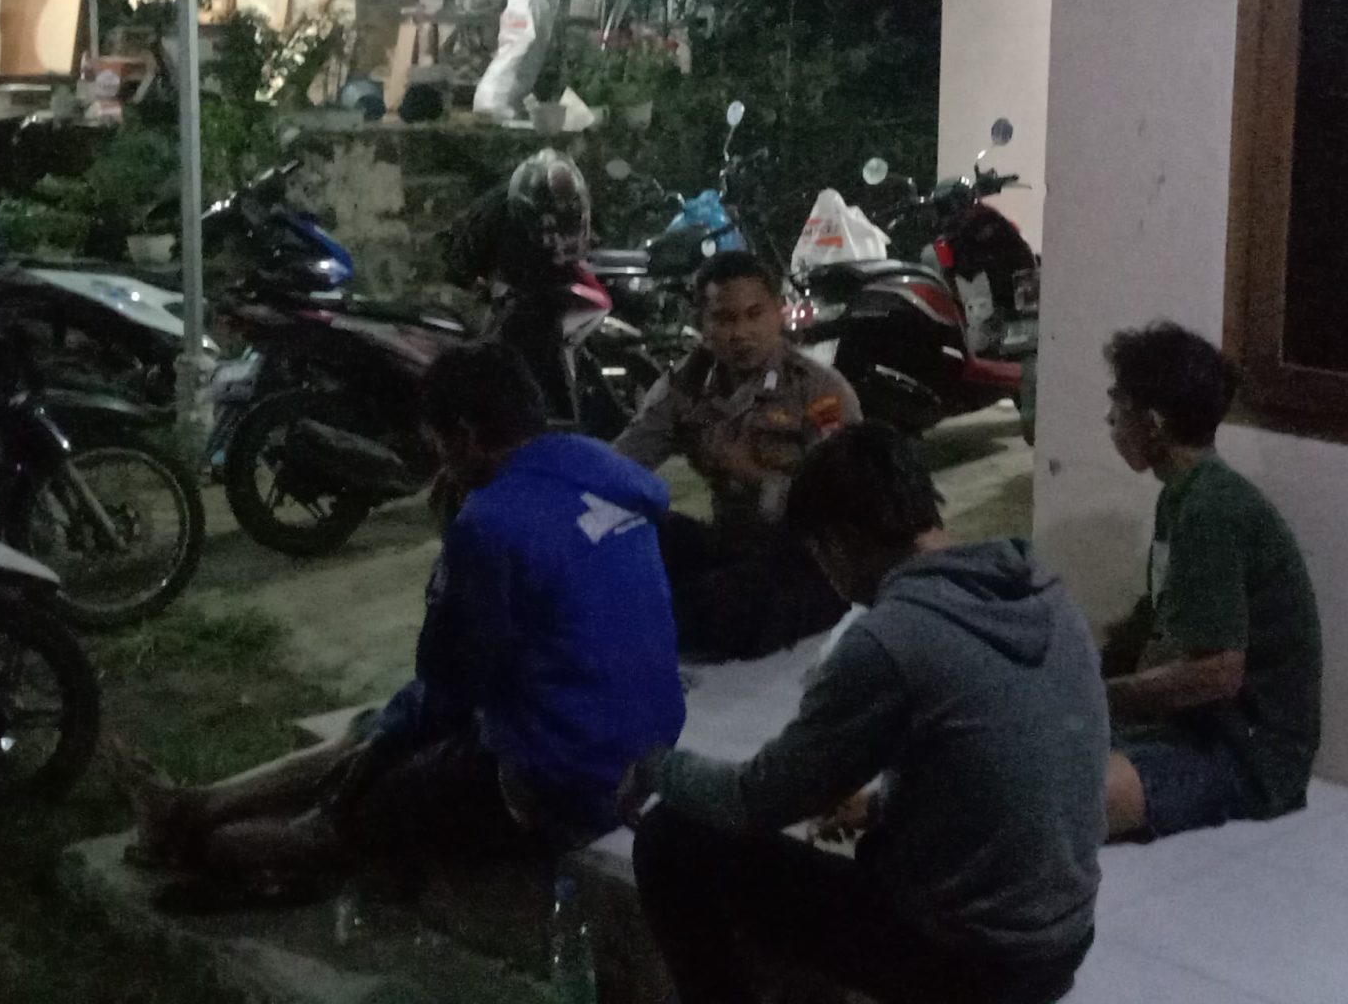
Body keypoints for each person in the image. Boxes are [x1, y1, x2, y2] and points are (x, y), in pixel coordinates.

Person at [121, 342, 684, 899]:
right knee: (377, 729)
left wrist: (382, 751)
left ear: (465, 433)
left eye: (436, 442)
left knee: (344, 815)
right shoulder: (601, 467)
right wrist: (387, 733)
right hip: (638, 750)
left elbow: (448, 683)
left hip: (563, 786)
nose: (437, 459)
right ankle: (193, 806)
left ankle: (195, 841)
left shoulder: (490, 524)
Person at [625, 424, 1106, 1004]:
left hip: (969, 962)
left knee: (673, 839)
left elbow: (753, 801)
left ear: (836, 542)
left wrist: (653, 764)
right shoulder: (1043, 593)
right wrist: (880, 805)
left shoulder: (890, 640)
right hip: (1062, 943)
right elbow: (1009, 763)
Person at [1100, 321, 1323, 841]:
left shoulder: (1212, 509)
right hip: (1197, 728)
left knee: (1055, 796)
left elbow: (1218, 674)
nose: (1110, 421)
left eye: (1119, 407)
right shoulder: (1182, 497)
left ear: (1153, 423)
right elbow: (1161, 623)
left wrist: (1105, 698)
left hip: (1246, 755)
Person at [612, 251, 859, 659]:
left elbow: (848, 506)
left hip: (813, 563)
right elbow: (618, 464)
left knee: (711, 607)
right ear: (702, 324)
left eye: (754, 314)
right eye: (724, 319)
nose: (741, 333)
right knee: (630, 535)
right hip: (731, 547)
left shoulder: (818, 391)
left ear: (778, 313)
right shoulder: (685, 387)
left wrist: (755, 478)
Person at [443, 149, 594, 421]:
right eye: (548, 223)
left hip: (553, 302)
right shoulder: (492, 214)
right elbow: (458, 268)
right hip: (508, 304)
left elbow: (583, 251)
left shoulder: (572, 206)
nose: (554, 239)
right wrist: (489, 292)